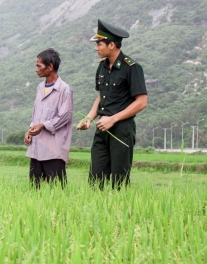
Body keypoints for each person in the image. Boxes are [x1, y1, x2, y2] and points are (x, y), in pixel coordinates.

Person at [76, 19, 148, 190]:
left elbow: (141, 102)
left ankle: (119, 214)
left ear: (112, 45)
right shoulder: (102, 67)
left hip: (122, 129)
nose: (96, 48)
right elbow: (101, 96)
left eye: (99, 44)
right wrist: (89, 118)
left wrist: (113, 119)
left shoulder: (131, 67)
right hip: (102, 129)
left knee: (119, 182)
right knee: (95, 179)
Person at [24, 48, 73, 189]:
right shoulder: (40, 87)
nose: (36, 69)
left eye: (39, 66)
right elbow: (36, 114)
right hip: (37, 148)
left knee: (57, 191)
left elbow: (65, 116)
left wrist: (43, 125)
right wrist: (30, 130)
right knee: (34, 189)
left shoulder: (64, 89)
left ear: (50, 67)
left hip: (54, 150)